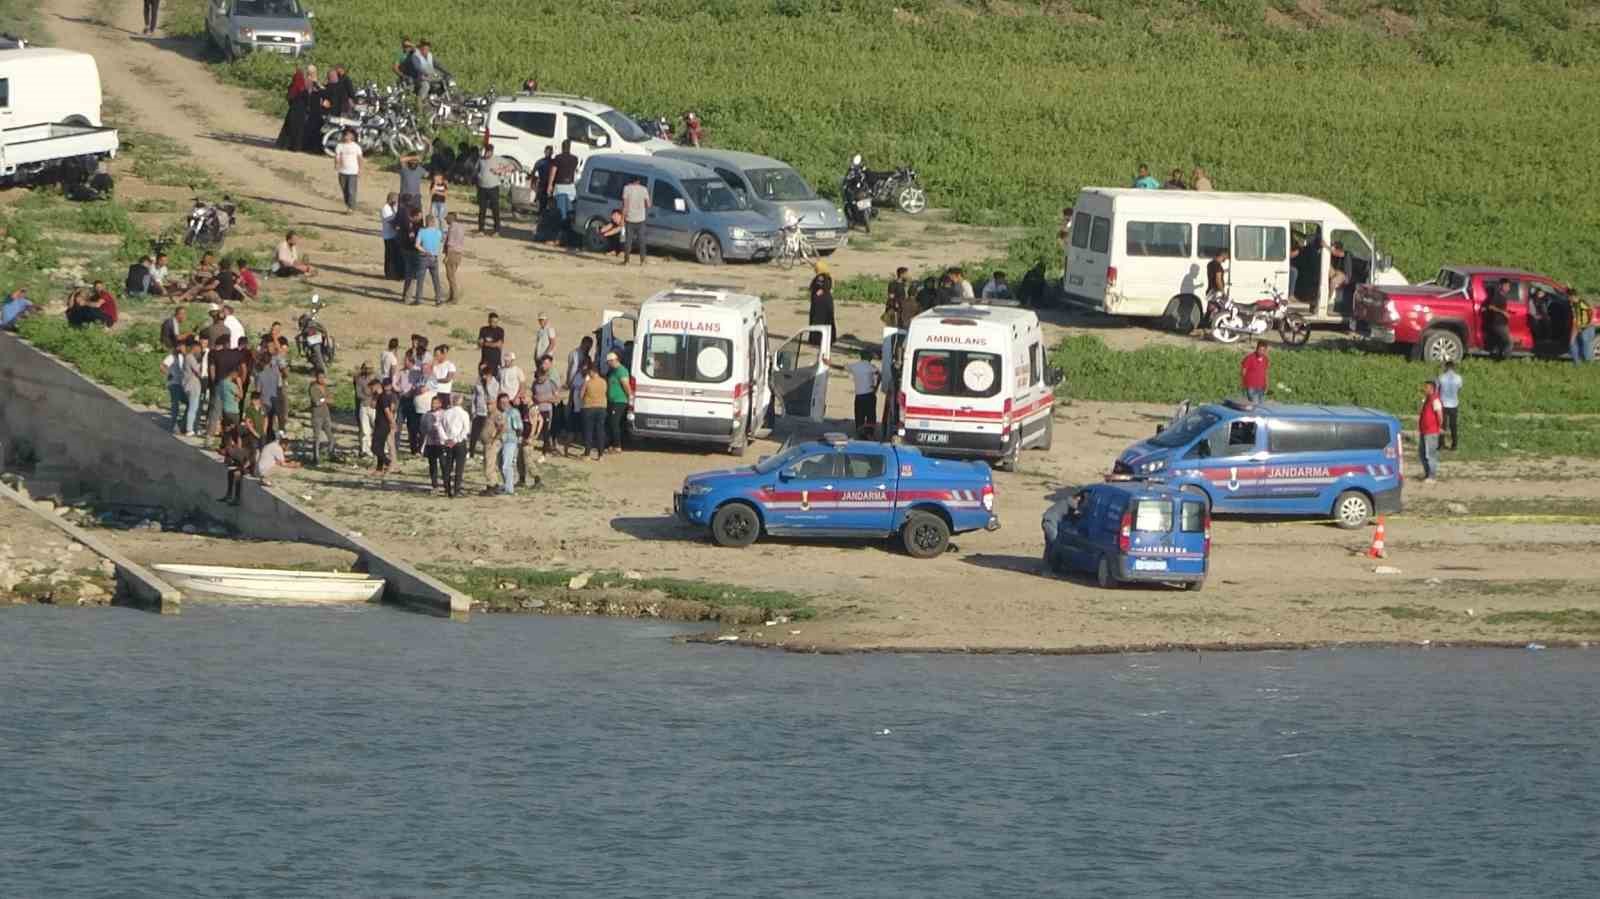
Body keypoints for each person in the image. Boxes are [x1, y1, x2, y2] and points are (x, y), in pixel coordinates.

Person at [405, 215, 445, 305]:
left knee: (420, 279)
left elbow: (417, 245)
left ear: (426, 222)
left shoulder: (422, 231)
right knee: (436, 279)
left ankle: (418, 299)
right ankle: (438, 299)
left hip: (424, 257)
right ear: (434, 222)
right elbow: (441, 240)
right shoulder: (438, 232)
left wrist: (425, 250)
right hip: (434, 258)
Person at [439, 394, 472, 498]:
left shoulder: (446, 413)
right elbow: (466, 430)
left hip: (448, 441)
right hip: (459, 442)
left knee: (448, 466)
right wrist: (456, 440)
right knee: (459, 467)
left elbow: (440, 427)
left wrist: (445, 439)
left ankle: (447, 488)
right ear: (461, 402)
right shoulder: (464, 414)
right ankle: (456, 489)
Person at [546, 139, 580, 237]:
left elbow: (553, 172)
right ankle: (569, 234)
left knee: (561, 212)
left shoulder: (558, 158)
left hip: (560, 186)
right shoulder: (575, 159)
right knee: (569, 212)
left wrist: (549, 185)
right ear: (570, 147)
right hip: (570, 187)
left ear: (562, 147)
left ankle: (560, 235)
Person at [476, 145, 508, 234]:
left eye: (488, 151)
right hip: (482, 188)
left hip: (493, 188)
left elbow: (511, 166)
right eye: (486, 151)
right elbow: (477, 170)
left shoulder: (497, 159)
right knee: (482, 209)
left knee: (495, 209)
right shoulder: (481, 160)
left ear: (492, 152)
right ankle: (481, 229)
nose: (486, 153)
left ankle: (497, 230)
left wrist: (499, 170)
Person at [470, 363, 500, 458]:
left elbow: (493, 397)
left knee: (486, 434)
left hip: (488, 412)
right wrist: (473, 410)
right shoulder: (478, 382)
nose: (483, 377)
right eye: (482, 374)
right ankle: (471, 453)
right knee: (474, 433)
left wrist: (487, 385)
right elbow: (474, 397)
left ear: (489, 375)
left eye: (485, 375)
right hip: (478, 411)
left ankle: (486, 452)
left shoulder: (495, 384)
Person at [847, 349, 880, 438]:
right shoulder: (871, 367)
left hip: (859, 396)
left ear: (861, 357)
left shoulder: (855, 366)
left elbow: (843, 367)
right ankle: (869, 434)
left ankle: (860, 433)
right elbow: (879, 374)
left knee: (859, 416)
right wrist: (876, 387)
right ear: (870, 358)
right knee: (871, 415)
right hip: (870, 395)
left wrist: (829, 363)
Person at [531, 355, 560, 456]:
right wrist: (535, 399)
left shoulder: (551, 383)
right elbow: (533, 396)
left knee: (546, 430)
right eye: (537, 377)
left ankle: (545, 450)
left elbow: (557, 398)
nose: (539, 380)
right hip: (537, 410)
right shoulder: (535, 384)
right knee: (535, 429)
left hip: (547, 409)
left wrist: (544, 400)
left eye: (541, 377)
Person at [275, 68, 309, 152]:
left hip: (293, 110)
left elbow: (289, 98)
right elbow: (307, 100)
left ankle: (284, 145)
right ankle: (295, 147)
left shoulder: (292, 86)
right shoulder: (303, 87)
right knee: (298, 130)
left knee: (288, 127)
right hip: (301, 111)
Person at [580, 360, 608, 460]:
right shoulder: (604, 382)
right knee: (600, 431)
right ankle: (600, 455)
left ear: (592, 372)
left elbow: (581, 395)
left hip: (589, 408)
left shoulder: (588, 382)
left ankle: (587, 454)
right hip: (602, 408)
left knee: (589, 431)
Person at [495, 394, 522, 495]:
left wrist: (518, 441)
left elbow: (519, 427)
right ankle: (507, 484)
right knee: (500, 463)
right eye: (502, 402)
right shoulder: (498, 412)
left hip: (510, 440)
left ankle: (509, 489)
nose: (504, 404)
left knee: (506, 465)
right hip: (500, 440)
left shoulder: (513, 412)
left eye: (506, 402)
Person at [604, 351, 631, 454]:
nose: (608, 364)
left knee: (614, 423)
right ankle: (611, 444)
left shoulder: (621, 371)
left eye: (609, 362)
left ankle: (617, 446)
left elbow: (626, 386)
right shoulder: (612, 371)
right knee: (611, 423)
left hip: (620, 401)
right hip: (612, 401)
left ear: (615, 360)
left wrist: (630, 398)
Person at [308, 369, 337, 465]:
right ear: (316, 377)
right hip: (317, 415)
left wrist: (323, 400)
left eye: (323, 377)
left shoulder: (325, 387)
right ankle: (316, 458)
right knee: (317, 438)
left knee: (331, 437)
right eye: (320, 377)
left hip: (326, 414)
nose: (322, 379)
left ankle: (330, 454)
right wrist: (325, 399)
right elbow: (316, 402)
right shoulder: (313, 388)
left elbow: (332, 400)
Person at [1418, 381, 1443, 483]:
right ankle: (1427, 473)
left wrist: (1438, 427)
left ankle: (1432, 476)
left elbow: (1439, 415)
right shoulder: (1426, 399)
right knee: (1422, 453)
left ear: (1432, 388)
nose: (1424, 389)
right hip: (1423, 430)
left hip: (1431, 431)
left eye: (1426, 387)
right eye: (1424, 387)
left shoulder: (1435, 400)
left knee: (1431, 454)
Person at [621, 175, 649, 264]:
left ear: (631, 181)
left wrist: (622, 218)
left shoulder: (626, 189)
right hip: (641, 218)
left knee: (628, 241)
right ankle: (642, 260)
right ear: (638, 181)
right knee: (641, 240)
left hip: (630, 218)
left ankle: (626, 260)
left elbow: (625, 206)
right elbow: (648, 204)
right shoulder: (644, 189)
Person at [369, 379, 394, 479]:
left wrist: (392, 422)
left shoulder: (383, 397)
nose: (371, 390)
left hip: (382, 426)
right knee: (380, 447)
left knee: (374, 448)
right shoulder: (380, 396)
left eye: (372, 388)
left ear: (377, 386)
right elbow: (372, 405)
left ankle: (388, 462)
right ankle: (379, 469)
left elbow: (387, 411)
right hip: (381, 424)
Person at [1484, 278, 1514, 361]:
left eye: (1509, 286)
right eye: (1506, 286)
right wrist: (1503, 312)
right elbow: (1490, 306)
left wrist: (1506, 311)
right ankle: (1504, 359)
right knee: (1509, 342)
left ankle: (1496, 358)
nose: (1508, 288)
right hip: (1498, 323)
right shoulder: (1497, 295)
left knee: (1499, 342)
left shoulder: (1503, 296)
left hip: (1502, 323)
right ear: (1501, 286)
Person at [162, 341, 188, 435]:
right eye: (181, 346)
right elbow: (163, 366)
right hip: (174, 384)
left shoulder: (185, 356)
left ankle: (181, 423)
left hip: (182, 384)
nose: (182, 348)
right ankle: (174, 425)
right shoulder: (172, 357)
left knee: (189, 403)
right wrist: (169, 374)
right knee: (175, 404)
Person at [334, 128, 363, 213]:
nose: (346, 136)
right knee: (344, 190)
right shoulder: (340, 146)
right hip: (342, 171)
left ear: (352, 136)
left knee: (351, 190)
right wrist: (336, 164)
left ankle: (351, 207)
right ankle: (348, 204)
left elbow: (360, 158)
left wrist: (360, 169)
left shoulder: (356, 147)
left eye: (348, 135)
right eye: (345, 134)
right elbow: (337, 156)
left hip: (353, 172)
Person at [440, 211, 466, 304]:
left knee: (450, 277)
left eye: (447, 218)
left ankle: (454, 297)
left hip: (452, 253)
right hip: (459, 253)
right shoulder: (461, 227)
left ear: (451, 218)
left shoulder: (452, 228)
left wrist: (447, 256)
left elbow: (450, 243)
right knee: (452, 275)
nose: (446, 220)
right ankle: (451, 296)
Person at [422, 393, 446, 493]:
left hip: (442, 443)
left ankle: (446, 484)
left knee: (444, 464)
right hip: (431, 443)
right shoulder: (426, 414)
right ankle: (434, 485)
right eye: (432, 403)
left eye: (436, 403)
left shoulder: (444, 414)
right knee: (432, 465)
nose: (433, 405)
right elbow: (422, 428)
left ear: (440, 404)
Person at [219, 429, 250, 506]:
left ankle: (237, 498)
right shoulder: (229, 451)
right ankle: (229, 495)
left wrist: (241, 468)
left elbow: (249, 461)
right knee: (230, 473)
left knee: (237, 474)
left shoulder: (233, 451)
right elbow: (229, 463)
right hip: (241, 465)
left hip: (249, 466)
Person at [300, 65, 325, 155]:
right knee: (313, 127)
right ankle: (311, 147)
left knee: (308, 127)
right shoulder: (312, 81)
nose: (315, 73)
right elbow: (320, 91)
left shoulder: (306, 80)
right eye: (314, 72)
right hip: (313, 108)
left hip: (308, 107)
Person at [808, 261, 835, 346]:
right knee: (825, 321)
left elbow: (821, 289)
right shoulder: (827, 277)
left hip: (821, 305)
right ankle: (826, 340)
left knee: (819, 321)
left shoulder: (822, 278)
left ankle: (817, 340)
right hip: (823, 304)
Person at [182, 339, 204, 436]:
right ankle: (189, 429)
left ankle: (186, 427)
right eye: (199, 348)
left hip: (188, 385)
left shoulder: (188, 357)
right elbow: (198, 372)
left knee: (190, 408)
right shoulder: (190, 357)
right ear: (194, 347)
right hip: (193, 386)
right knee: (193, 408)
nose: (199, 350)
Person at [1437, 361, 1462, 451]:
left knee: (1442, 425)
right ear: (1453, 367)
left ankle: (1441, 444)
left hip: (1443, 404)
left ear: (1446, 367)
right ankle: (1454, 445)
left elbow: (1437, 390)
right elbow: (1459, 390)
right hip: (1454, 404)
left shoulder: (1441, 377)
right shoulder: (1459, 378)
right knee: (1453, 425)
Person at [353, 363, 375, 460]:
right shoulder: (360, 379)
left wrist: (371, 396)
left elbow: (379, 391)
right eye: (366, 368)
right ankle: (366, 450)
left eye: (369, 368)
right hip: (364, 406)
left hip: (374, 406)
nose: (368, 370)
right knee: (365, 430)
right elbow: (359, 394)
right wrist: (370, 394)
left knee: (377, 428)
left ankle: (379, 449)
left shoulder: (376, 378)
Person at [380, 194, 402, 280]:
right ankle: (389, 274)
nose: (396, 201)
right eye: (395, 199)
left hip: (394, 235)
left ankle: (395, 273)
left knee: (395, 256)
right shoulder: (385, 209)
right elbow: (391, 221)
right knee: (389, 255)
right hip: (388, 236)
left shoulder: (394, 207)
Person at [1569, 288, 1594, 364]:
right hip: (1579, 326)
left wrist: (1588, 323)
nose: (1568, 299)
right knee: (1577, 343)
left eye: (1569, 297)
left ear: (1573, 296)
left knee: (1585, 344)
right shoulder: (1574, 304)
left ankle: (1587, 362)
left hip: (1586, 327)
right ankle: (1579, 362)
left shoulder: (1582, 303)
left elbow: (1591, 311)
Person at [532, 145, 554, 214]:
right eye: (547, 152)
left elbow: (533, 172)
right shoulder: (541, 162)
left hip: (549, 185)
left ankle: (542, 216)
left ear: (552, 153)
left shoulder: (553, 162)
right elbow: (533, 172)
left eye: (549, 152)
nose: (548, 153)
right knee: (543, 203)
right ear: (544, 152)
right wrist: (533, 182)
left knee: (546, 203)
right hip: (543, 185)